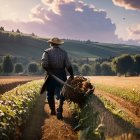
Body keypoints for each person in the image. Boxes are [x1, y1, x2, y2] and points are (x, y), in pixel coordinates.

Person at [41, 37, 74, 119]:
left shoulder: (47, 52)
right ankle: (59, 110)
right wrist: (72, 75)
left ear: (51, 43)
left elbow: (44, 64)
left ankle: (52, 110)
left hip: (51, 76)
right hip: (62, 75)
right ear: (59, 44)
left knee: (50, 94)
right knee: (62, 93)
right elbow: (68, 65)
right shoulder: (64, 53)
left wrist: (49, 71)